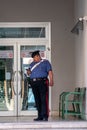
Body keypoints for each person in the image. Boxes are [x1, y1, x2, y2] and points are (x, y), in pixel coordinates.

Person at [29, 50, 54, 121]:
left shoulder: (46, 62)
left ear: (38, 56)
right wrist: (28, 72)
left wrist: (51, 80)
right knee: (37, 100)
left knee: (44, 99)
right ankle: (39, 116)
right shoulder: (32, 64)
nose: (34, 59)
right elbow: (30, 73)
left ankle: (45, 116)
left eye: (34, 57)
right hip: (34, 83)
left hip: (42, 82)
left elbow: (50, 72)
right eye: (33, 58)